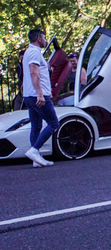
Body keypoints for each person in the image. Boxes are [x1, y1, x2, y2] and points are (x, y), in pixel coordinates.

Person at [22, 28, 60, 167]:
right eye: (44, 37)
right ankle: (34, 150)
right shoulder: (34, 52)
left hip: (29, 96)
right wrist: (40, 93)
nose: (45, 40)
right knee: (54, 123)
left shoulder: (29, 52)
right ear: (38, 38)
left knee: (36, 126)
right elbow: (34, 73)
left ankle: (36, 160)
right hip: (37, 95)